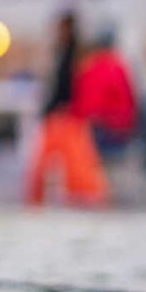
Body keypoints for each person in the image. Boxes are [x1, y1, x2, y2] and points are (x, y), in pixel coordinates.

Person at [26, 11, 109, 207]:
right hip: (64, 116)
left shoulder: (73, 56)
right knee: (60, 163)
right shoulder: (65, 53)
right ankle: (41, 197)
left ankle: (84, 196)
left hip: (68, 117)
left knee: (72, 164)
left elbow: (67, 88)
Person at [71, 27, 137, 158]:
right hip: (121, 132)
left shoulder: (89, 68)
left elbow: (83, 109)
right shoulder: (120, 66)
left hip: (101, 133)